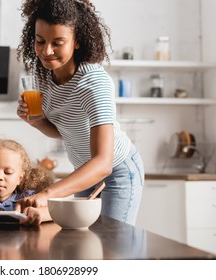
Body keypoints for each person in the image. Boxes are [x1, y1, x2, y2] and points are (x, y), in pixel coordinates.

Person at [15, 0, 144, 225]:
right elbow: (64, 131)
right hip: (84, 173)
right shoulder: (43, 77)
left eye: (58, 43)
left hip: (117, 171)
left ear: (76, 42)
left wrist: (48, 194)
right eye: (40, 41)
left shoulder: (93, 83)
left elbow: (103, 163)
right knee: (85, 241)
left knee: (114, 246)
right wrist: (36, 121)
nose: (46, 51)